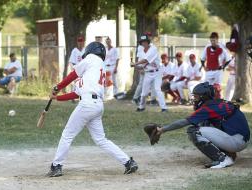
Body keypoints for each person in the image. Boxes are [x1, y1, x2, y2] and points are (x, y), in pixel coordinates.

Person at [47, 42, 138, 177]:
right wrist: (57, 98)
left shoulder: (91, 59)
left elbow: (73, 75)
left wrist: (57, 87)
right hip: (97, 105)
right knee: (101, 140)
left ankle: (56, 166)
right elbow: (77, 93)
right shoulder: (96, 68)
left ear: (90, 51)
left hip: (87, 104)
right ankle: (128, 162)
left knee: (67, 135)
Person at [151, 82, 250, 169]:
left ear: (204, 97)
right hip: (239, 138)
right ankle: (229, 154)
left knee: (194, 131)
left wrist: (162, 129)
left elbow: (184, 122)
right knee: (203, 124)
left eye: (197, 96)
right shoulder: (217, 103)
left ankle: (223, 159)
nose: (194, 99)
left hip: (237, 141)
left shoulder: (208, 108)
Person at [135, 35, 167, 112]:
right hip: (148, 73)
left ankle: (164, 108)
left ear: (148, 42)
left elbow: (146, 60)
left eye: (145, 41)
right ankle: (141, 107)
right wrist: (137, 67)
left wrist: (135, 64)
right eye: (142, 42)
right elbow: (140, 65)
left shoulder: (153, 49)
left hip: (157, 71)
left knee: (157, 89)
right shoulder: (140, 50)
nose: (144, 43)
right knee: (144, 93)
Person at [132, 32, 157, 105]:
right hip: (143, 67)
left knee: (153, 85)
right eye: (148, 36)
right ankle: (135, 98)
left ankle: (153, 100)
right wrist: (140, 68)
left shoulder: (152, 46)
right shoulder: (140, 47)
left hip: (151, 67)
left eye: (150, 36)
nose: (149, 37)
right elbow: (140, 58)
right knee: (141, 83)